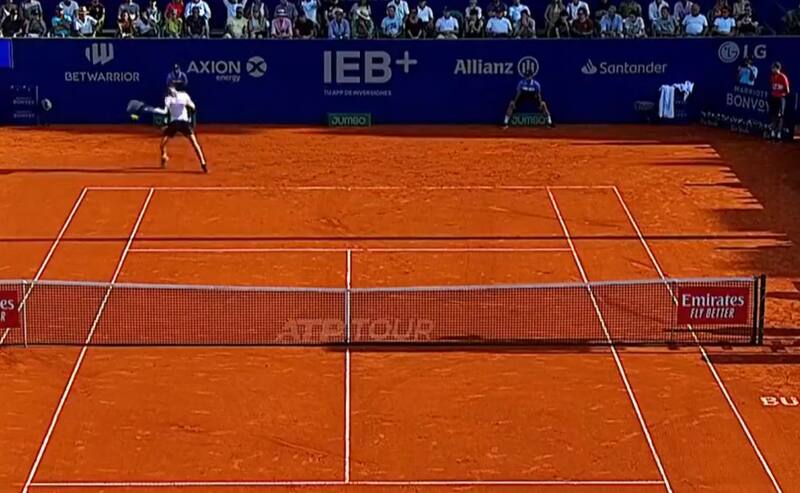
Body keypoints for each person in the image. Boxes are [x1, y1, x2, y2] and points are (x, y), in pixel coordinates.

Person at [153, 87, 207, 172]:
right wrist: (157, 110)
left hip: (184, 123)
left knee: (195, 144)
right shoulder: (168, 99)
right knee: (162, 144)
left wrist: (190, 109)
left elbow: (193, 106)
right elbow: (165, 111)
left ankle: (203, 163)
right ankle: (164, 157)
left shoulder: (184, 95)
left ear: (175, 90)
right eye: (169, 92)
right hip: (174, 124)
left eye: (171, 91)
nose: (171, 93)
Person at [768, 62, 791, 140]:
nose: (772, 69)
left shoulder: (783, 77)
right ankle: (773, 132)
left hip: (781, 99)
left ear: (777, 68)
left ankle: (779, 133)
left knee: (780, 116)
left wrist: (780, 94)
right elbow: (772, 87)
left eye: (773, 68)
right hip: (773, 98)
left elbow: (788, 91)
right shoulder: (772, 77)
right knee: (773, 115)